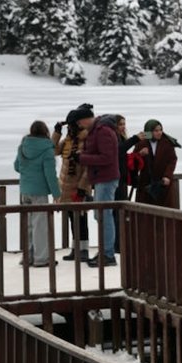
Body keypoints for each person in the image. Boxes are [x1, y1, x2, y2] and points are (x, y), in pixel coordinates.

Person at [14, 120, 61, 267]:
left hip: (25, 191)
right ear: (45, 131)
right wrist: (56, 194)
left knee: (28, 225)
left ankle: (27, 257)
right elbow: (50, 174)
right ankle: (41, 258)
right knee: (40, 226)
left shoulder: (23, 146)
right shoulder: (47, 149)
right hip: (39, 192)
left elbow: (17, 167)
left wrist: (29, 171)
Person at [76, 112, 120, 267]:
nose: (79, 126)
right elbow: (99, 153)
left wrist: (83, 158)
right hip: (101, 178)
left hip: (106, 179)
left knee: (104, 215)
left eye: (79, 122)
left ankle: (108, 254)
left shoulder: (103, 131)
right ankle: (105, 251)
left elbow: (107, 157)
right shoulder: (96, 130)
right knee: (100, 215)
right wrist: (82, 154)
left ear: (86, 119)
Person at [52, 107, 92, 261]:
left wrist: (82, 188)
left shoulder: (87, 140)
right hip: (66, 186)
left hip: (79, 186)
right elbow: (54, 151)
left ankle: (84, 250)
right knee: (71, 218)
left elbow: (88, 168)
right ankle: (75, 249)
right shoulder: (68, 139)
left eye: (71, 125)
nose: (69, 128)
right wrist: (57, 133)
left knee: (81, 219)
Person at [135, 119, 180, 209]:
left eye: (160, 130)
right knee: (145, 211)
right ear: (149, 131)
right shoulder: (141, 143)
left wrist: (167, 176)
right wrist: (139, 154)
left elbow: (172, 160)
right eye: (156, 131)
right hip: (146, 184)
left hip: (162, 184)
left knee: (164, 211)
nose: (159, 133)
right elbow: (133, 162)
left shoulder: (167, 143)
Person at [113, 115, 139, 254]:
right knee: (116, 213)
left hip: (122, 179)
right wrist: (135, 139)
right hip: (115, 180)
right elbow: (119, 151)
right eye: (120, 124)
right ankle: (116, 244)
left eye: (124, 124)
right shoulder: (114, 139)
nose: (123, 127)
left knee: (120, 213)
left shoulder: (121, 138)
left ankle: (120, 242)